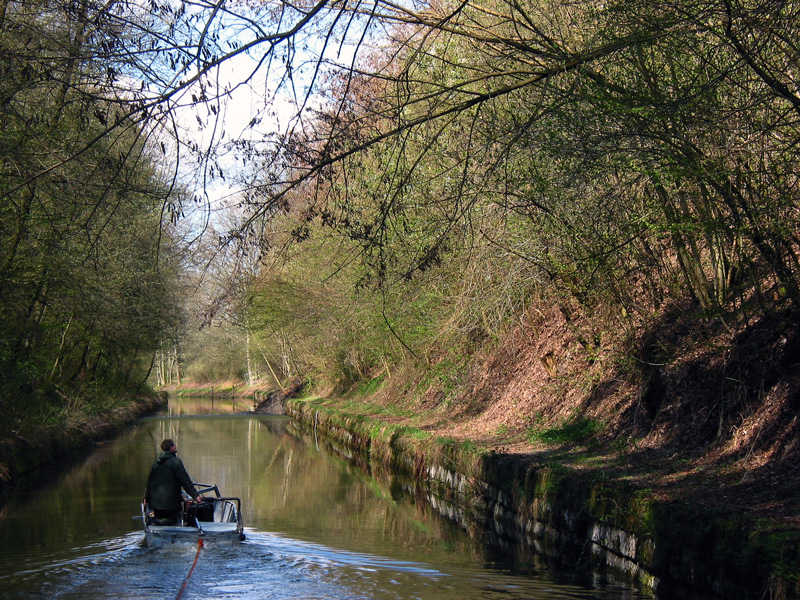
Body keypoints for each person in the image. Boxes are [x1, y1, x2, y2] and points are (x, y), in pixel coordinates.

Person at [143, 439, 203, 526]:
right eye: (174, 445)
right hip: (171, 504)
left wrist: (146, 497)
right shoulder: (176, 462)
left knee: (159, 520)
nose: (175, 447)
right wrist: (195, 496)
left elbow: (150, 481)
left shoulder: (156, 463)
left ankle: (155, 526)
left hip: (155, 503)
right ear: (171, 448)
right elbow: (185, 481)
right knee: (172, 521)